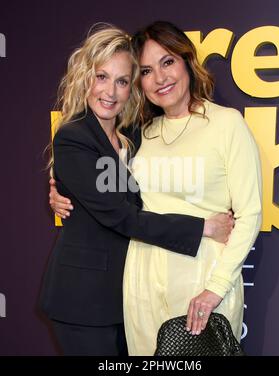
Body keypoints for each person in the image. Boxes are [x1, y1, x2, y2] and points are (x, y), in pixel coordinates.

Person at [41, 23, 233, 356]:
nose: (110, 92)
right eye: (102, 77)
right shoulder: (73, 136)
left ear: (133, 88)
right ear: (85, 76)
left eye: (122, 81)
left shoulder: (134, 134)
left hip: (127, 297)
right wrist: (204, 227)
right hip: (82, 302)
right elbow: (123, 217)